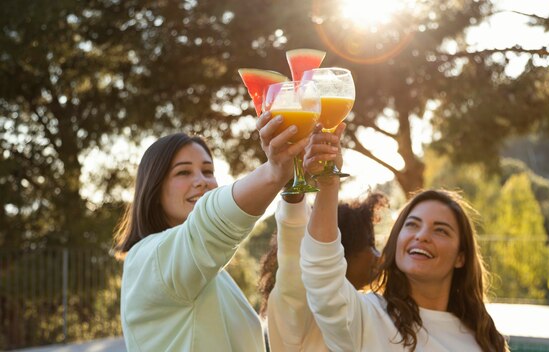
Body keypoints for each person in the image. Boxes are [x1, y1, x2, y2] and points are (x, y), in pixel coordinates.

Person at [299, 128, 510, 351]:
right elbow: (322, 272)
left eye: (441, 230)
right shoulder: (366, 317)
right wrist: (329, 183)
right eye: (412, 225)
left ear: (461, 257)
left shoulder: (483, 341)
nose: (421, 236)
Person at [113, 111, 307, 352]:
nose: (202, 181)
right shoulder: (146, 259)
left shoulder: (211, 275)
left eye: (207, 171)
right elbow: (210, 223)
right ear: (154, 190)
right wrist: (273, 172)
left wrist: (293, 189)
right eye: (183, 172)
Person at [257, 182, 388, 352]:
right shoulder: (299, 298)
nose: (377, 256)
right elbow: (293, 244)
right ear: (338, 248)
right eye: (370, 244)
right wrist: (293, 184)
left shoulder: (360, 309)